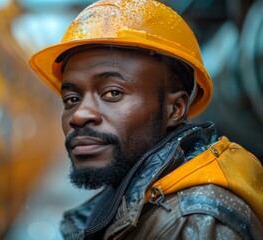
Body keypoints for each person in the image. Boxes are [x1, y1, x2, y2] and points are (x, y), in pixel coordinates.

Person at [29, 0, 263, 239]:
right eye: (71, 98)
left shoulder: (195, 223)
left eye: (112, 93)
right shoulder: (133, 200)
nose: (79, 115)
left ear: (175, 109)